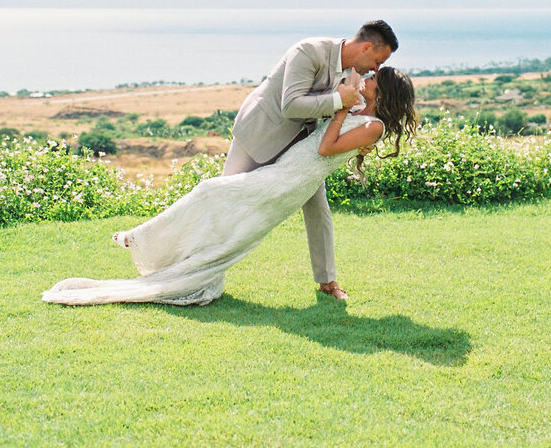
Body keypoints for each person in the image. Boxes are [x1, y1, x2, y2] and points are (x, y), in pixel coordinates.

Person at [41, 67, 418, 306]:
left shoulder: (373, 127)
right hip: (286, 170)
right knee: (219, 206)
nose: (365, 79)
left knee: (211, 192)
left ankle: (142, 237)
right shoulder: (356, 112)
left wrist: (338, 110)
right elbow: (341, 84)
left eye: (373, 79)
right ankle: (175, 255)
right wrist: (344, 96)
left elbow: (324, 147)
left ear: (382, 94)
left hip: (288, 182)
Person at [224, 20, 398, 300]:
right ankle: (201, 265)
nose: (376, 70)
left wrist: (360, 142)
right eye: (378, 61)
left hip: (302, 148)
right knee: (225, 200)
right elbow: (291, 105)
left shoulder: (353, 74)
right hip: (259, 134)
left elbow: (347, 117)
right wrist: (337, 101)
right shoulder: (308, 52)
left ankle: (328, 282)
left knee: (319, 209)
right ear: (366, 47)